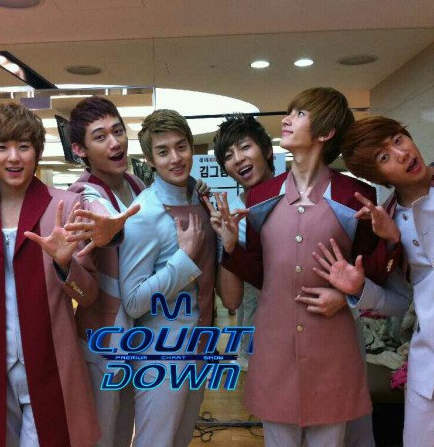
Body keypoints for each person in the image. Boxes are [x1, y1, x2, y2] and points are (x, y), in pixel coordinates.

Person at [0, 102, 134, 447]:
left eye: (23, 146)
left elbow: (88, 295)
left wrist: (65, 265)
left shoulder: (65, 206)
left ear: (37, 152)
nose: (14, 158)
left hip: (52, 360)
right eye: (2, 147)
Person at [215, 87, 398, 446]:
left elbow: (370, 273)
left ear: (326, 132)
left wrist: (348, 293)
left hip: (333, 348)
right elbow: (263, 274)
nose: (286, 120)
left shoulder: (353, 196)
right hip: (274, 347)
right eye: (290, 112)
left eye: (299, 114)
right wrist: (231, 246)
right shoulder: (260, 197)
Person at [326, 68, 434, 447]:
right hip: (433, 370)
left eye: (399, 139)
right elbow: (401, 302)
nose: (402, 154)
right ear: (377, 175)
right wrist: (359, 288)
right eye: (385, 156)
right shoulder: (384, 220)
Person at [117, 109, 216, 447]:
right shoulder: (143, 214)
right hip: (160, 351)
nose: (175, 158)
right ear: (150, 159)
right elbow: (132, 302)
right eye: (163, 151)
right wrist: (183, 260)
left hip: (200, 343)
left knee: (181, 438)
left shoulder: (199, 197)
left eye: (181, 147)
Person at [67, 96, 145, 447]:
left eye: (118, 131)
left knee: (124, 426)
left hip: (138, 330)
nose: (115, 142)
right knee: (102, 432)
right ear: (79, 150)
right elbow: (99, 213)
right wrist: (108, 228)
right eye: (100, 137)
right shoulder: (82, 193)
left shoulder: (135, 184)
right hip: (103, 335)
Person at [210, 114, 275, 370]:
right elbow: (231, 301)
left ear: (267, 150)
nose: (238, 159)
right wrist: (230, 245)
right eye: (228, 156)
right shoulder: (232, 214)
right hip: (257, 329)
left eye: (245, 147)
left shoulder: (296, 198)